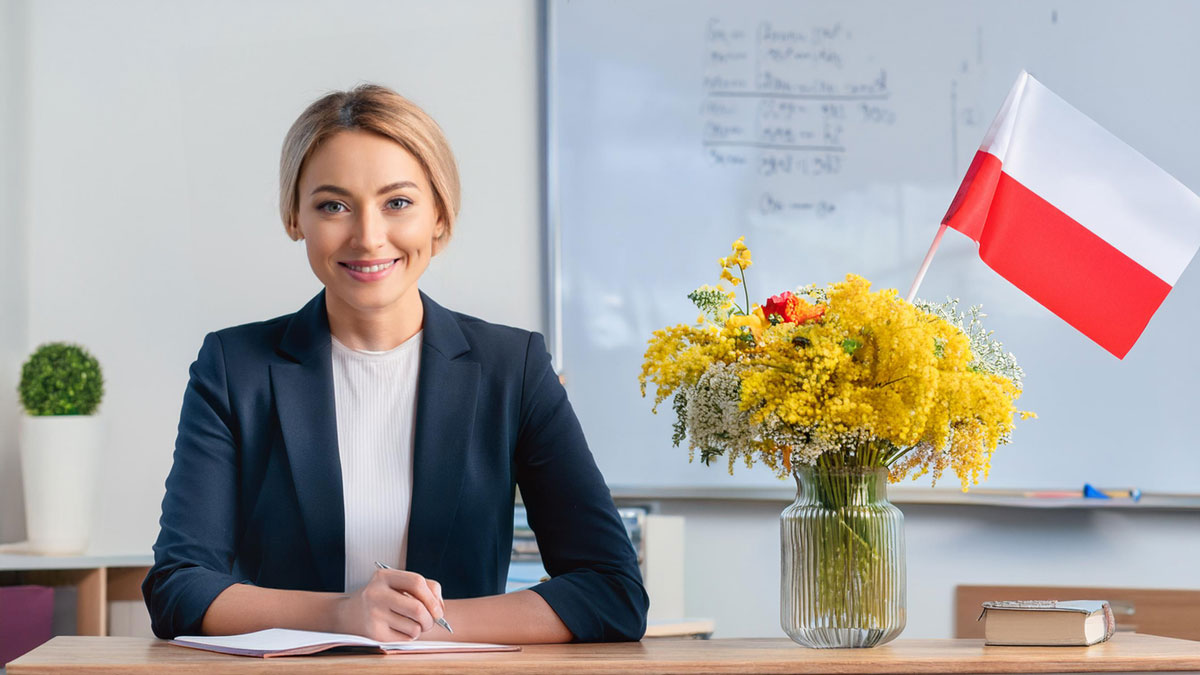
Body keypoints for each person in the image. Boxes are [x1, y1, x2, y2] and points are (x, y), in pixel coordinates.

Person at [141, 84, 648, 644]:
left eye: (397, 203)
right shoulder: (233, 369)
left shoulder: (513, 367)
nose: (368, 236)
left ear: (440, 217)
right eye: (333, 205)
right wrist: (341, 615)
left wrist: (418, 625)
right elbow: (178, 588)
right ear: (295, 217)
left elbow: (612, 590)